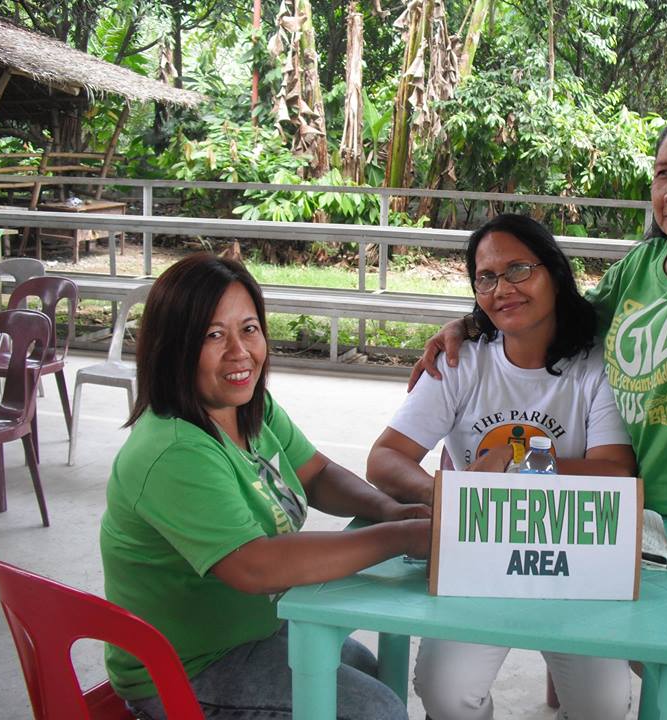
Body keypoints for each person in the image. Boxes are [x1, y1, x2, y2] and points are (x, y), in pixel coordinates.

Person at [410, 107, 667, 720]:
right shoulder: (646, 262)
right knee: (651, 654)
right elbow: (565, 316)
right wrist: (474, 319)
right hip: (648, 493)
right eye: (663, 173)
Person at [100, 253, 431, 720]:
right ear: (173, 347)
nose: (240, 353)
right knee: (376, 711)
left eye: (249, 329)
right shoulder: (174, 450)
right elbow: (254, 567)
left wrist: (388, 509)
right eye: (213, 335)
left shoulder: (248, 405)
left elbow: (316, 473)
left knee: (370, 674)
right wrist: (398, 536)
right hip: (187, 670)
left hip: (253, 631)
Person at [368, 213, 637, 720]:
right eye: (486, 277)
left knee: (603, 705)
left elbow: (614, 474)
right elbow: (384, 458)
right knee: (445, 692)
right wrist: (448, 496)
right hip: (478, 560)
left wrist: (516, 465)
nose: (502, 289)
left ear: (554, 273)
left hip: (569, 558)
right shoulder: (461, 360)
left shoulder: (596, 366)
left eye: (518, 270)